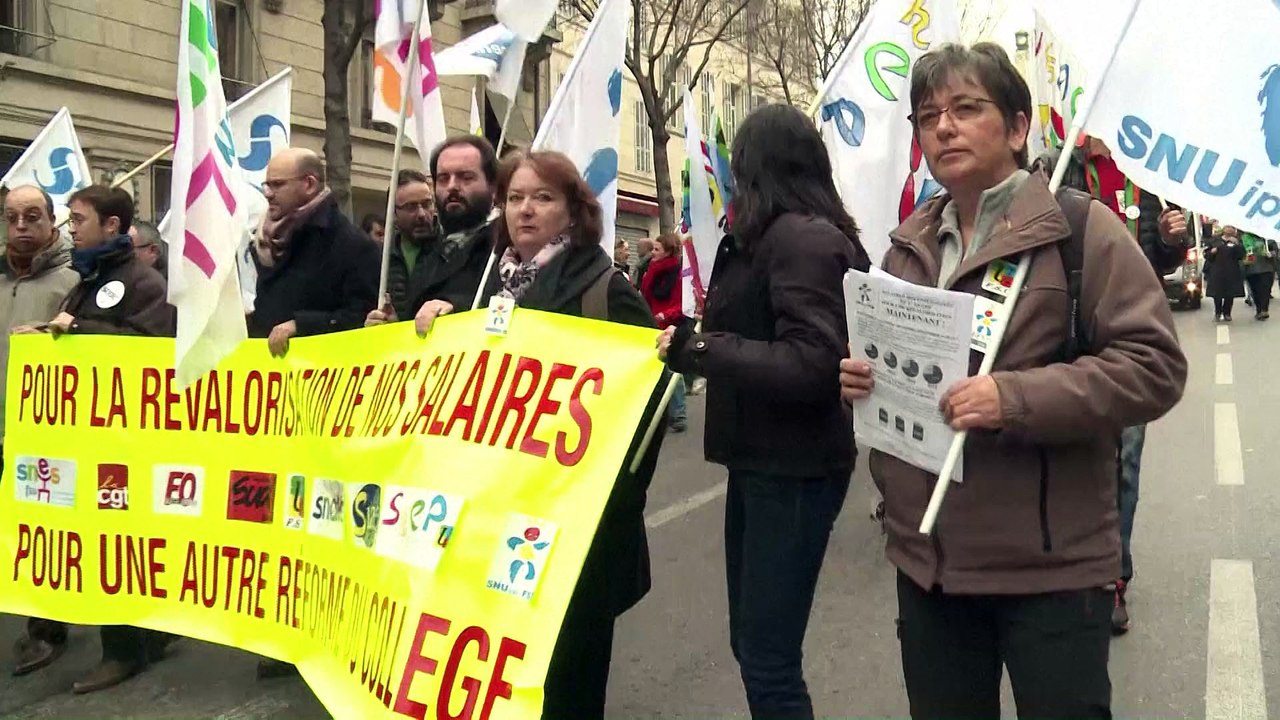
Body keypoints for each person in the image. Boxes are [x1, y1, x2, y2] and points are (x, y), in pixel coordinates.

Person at [839, 43, 1186, 719]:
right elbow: (895, 368)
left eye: (967, 109)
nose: (944, 127)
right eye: (929, 115)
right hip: (929, 563)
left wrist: (1014, 399)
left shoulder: (1081, 232)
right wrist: (860, 376)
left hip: (1051, 573)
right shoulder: (905, 247)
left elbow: (1154, 366)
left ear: (1019, 127)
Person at [413, 150, 667, 720]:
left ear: (574, 213)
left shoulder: (603, 289)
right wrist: (430, 323)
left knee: (569, 689)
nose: (525, 210)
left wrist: (602, 500)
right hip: (496, 524)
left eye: (543, 198)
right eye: (515, 198)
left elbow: (646, 410)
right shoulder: (484, 292)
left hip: (576, 533)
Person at [658, 104, 869, 719]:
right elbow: (755, 330)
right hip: (764, 462)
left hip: (795, 469)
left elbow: (811, 363)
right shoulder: (769, 238)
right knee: (754, 648)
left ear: (755, 168)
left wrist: (704, 349)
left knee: (769, 660)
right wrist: (692, 340)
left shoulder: (801, 241)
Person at [11, 185, 176, 693]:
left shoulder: (144, 282)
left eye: (78, 219)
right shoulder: (89, 280)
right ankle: (143, 638)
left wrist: (74, 330)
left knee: (120, 545)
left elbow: (150, 350)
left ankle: (123, 650)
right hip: (92, 441)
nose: (69, 227)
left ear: (111, 225)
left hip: (126, 446)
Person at [1030, 135, 1188, 635]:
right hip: (1068, 332)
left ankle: (1112, 577)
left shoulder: (1143, 176)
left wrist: (1167, 238)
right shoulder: (1054, 162)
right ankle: (1058, 562)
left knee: (1125, 463)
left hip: (1123, 338)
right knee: (1065, 452)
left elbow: (1157, 262)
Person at [3, 185, 81, 678]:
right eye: (11, 218)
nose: (21, 227)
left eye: (33, 217)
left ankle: (45, 629)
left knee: (42, 532)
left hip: (44, 432)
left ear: (52, 222)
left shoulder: (75, 279)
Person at [250, 148, 379, 356]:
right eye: (267, 185)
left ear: (309, 184)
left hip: (323, 376)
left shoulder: (353, 245)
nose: (268, 194)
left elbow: (360, 317)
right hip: (269, 376)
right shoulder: (268, 240)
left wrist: (301, 325)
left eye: (278, 185)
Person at [365, 136, 500, 328]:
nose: (452, 186)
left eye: (466, 177)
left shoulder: (506, 246)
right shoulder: (433, 254)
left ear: (493, 187)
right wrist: (394, 328)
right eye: (444, 178)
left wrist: (455, 309)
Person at [641, 232, 687, 432]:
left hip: (669, 325)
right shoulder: (651, 268)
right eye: (652, 249)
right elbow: (645, 294)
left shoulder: (678, 273)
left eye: (657, 250)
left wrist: (664, 316)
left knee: (670, 368)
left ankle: (678, 414)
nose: (652, 253)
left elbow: (682, 303)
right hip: (651, 323)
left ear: (668, 251)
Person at [383, 169, 438, 320]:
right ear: (393, 213)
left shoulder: (450, 250)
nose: (421, 214)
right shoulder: (380, 258)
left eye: (427, 204)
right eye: (411, 207)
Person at [1206, 225, 1246, 322]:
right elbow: (1207, 255)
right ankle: (1218, 312)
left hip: (1231, 271)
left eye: (1231, 227)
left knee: (1230, 293)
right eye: (1227, 227)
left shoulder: (1236, 241)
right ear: (1223, 229)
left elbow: (1241, 255)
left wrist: (1237, 245)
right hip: (1217, 270)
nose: (1229, 229)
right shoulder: (1215, 240)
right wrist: (1212, 252)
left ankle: (1227, 313)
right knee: (1217, 294)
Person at [1241, 230, 1277, 320]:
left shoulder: (1268, 239)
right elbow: (1239, 252)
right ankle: (1259, 310)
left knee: (1265, 289)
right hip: (1251, 268)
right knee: (1255, 290)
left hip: (1267, 268)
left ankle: (1264, 310)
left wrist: (1271, 254)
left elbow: (1275, 251)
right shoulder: (1244, 238)